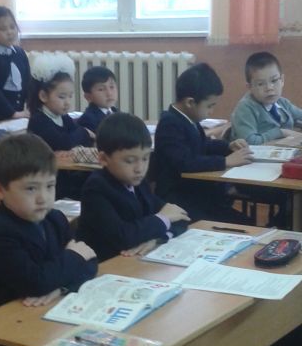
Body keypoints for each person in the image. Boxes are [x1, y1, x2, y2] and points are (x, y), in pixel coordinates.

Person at [0, 133, 108, 346]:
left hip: (48, 323)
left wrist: (59, 286)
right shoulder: (0, 232)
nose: (43, 198)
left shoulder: (54, 219)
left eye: (50, 186)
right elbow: (37, 280)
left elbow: (90, 262)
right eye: (31, 188)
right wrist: (68, 262)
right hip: (8, 343)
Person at [77, 113, 189, 262]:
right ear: (103, 159)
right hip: (105, 264)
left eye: (145, 158)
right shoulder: (96, 188)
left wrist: (158, 238)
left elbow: (181, 218)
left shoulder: (139, 184)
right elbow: (123, 236)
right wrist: (162, 219)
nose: (140, 168)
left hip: (135, 261)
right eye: (130, 161)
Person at [154, 63, 253, 224]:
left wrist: (228, 146)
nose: (211, 111)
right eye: (209, 106)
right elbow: (185, 162)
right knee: (239, 224)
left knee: (245, 222)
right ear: (190, 102)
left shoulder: (189, 119)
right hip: (180, 199)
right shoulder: (170, 124)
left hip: (198, 195)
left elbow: (203, 145)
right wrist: (225, 161)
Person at [27, 52, 93, 199]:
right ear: (43, 96)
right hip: (50, 182)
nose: (67, 102)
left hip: (66, 175)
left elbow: (78, 139)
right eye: (62, 97)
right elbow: (66, 142)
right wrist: (84, 132)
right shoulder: (39, 120)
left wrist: (78, 138)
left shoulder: (62, 116)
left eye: (70, 96)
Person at [230, 51, 302, 145]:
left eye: (274, 81)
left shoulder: (282, 102)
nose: (269, 88)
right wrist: (281, 132)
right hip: (256, 153)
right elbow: (249, 142)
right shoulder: (245, 108)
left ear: (282, 80)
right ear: (250, 87)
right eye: (260, 84)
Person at [78, 66, 119, 133]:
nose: (109, 93)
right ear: (88, 97)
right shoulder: (88, 119)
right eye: (101, 89)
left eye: (111, 87)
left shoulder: (117, 113)